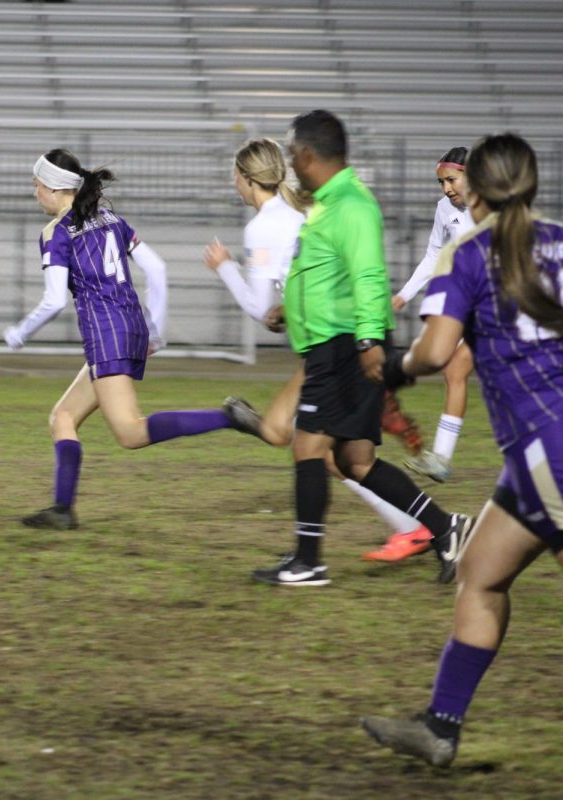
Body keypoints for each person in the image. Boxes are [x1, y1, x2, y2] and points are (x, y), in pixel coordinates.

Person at [361, 133, 563, 767]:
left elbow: (435, 351)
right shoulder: (558, 237)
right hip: (530, 462)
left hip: (547, 450)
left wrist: (394, 368)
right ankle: (440, 726)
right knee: (478, 573)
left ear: (475, 187)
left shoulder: (468, 253)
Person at [251, 110, 472, 587]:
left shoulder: (350, 204)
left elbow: (369, 274)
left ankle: (308, 561)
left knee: (308, 446)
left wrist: (370, 341)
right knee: (356, 460)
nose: (291, 162)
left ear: (307, 153)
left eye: (292, 153)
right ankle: (447, 529)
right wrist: (288, 309)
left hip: (345, 345)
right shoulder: (329, 204)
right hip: (337, 342)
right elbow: (329, 275)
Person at [202, 138, 434, 562]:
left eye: (234, 175)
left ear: (247, 178)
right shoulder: (302, 213)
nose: (233, 183)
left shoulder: (263, 227)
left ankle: (407, 533)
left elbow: (260, 309)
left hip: (333, 346)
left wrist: (225, 269)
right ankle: (420, 528)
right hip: (342, 341)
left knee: (322, 450)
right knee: (329, 452)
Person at [4, 148, 256, 530]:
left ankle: (226, 417)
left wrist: (19, 333)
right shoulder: (110, 219)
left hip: (107, 335)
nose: (34, 191)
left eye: (37, 184)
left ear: (55, 189)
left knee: (130, 432)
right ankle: (61, 509)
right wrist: (155, 328)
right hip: (131, 327)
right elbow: (157, 268)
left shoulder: (56, 234)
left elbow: (55, 300)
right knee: (64, 417)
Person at [393, 148, 478, 484]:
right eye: (441, 182)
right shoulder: (445, 209)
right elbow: (433, 257)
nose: (446, 188)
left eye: (451, 180)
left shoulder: (497, 206)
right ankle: (441, 458)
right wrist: (402, 295)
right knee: (453, 369)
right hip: (471, 305)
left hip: (502, 307)